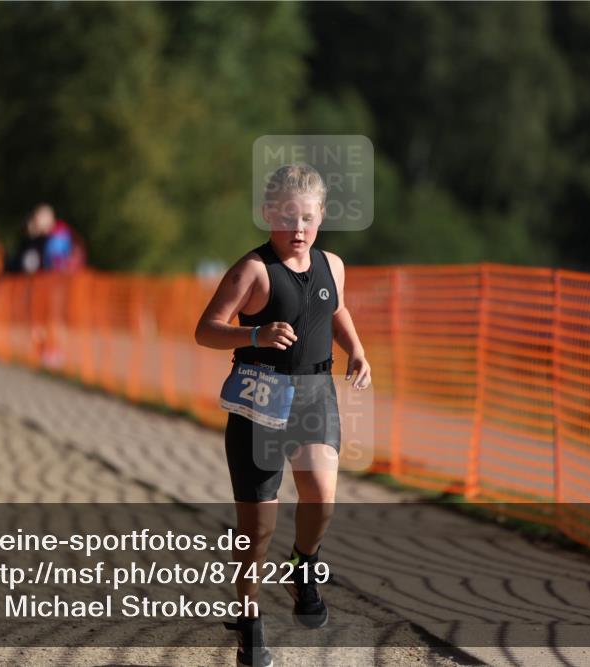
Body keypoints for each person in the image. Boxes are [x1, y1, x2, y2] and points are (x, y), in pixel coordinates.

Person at [195, 164, 371, 667]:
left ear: (322, 217)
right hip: (261, 401)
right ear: (269, 214)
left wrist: (357, 349)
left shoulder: (332, 265)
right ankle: (249, 623)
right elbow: (205, 330)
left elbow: (335, 310)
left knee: (322, 496)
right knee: (257, 530)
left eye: (308, 218)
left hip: (315, 393)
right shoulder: (252, 271)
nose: (298, 228)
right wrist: (256, 334)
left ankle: (303, 566)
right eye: (288, 217)